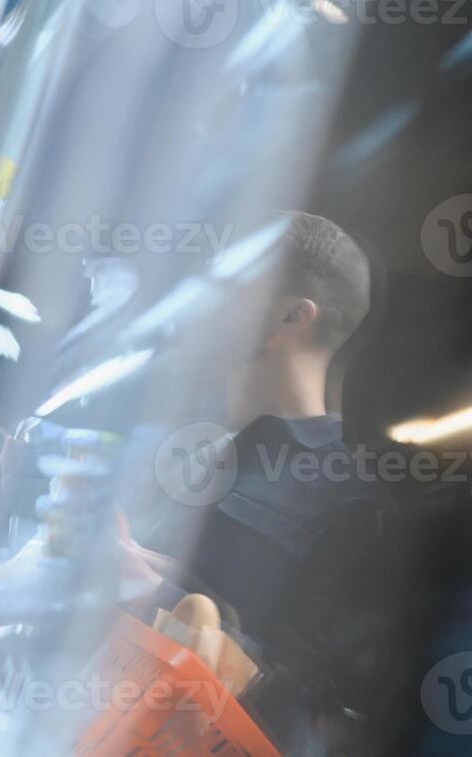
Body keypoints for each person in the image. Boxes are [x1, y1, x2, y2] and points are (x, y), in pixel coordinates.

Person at [125, 212, 406, 748]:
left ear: (289, 316)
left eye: (229, 285)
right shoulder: (200, 449)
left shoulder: (349, 498)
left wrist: (149, 590)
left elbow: (307, 701)